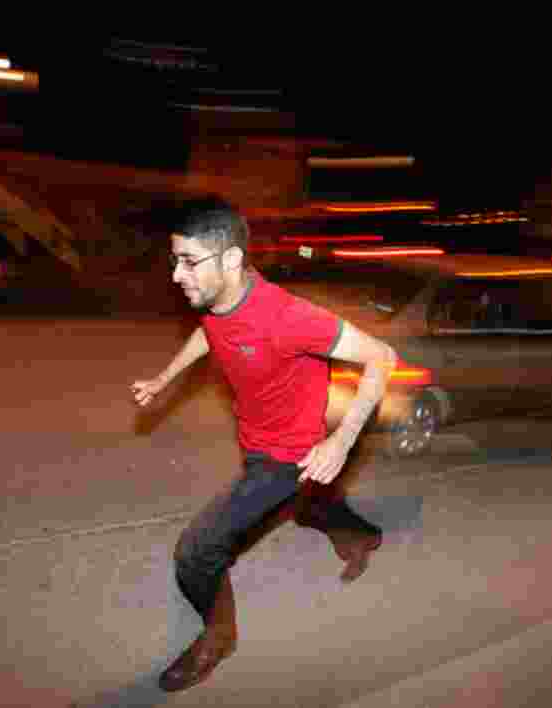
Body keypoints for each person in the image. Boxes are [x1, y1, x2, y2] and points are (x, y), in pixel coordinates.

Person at [130, 197, 396, 692]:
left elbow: (382, 356)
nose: (176, 275)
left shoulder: (286, 316)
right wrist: (164, 378)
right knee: (307, 505)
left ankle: (218, 635)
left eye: (189, 262)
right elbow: (211, 336)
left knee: (197, 549)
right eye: (174, 260)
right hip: (256, 438)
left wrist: (340, 441)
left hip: (288, 455)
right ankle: (361, 535)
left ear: (230, 259)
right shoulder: (218, 300)